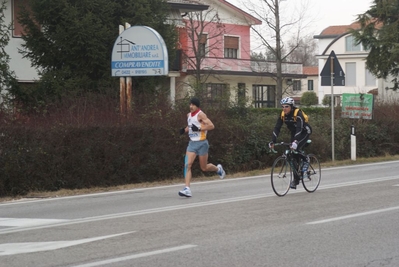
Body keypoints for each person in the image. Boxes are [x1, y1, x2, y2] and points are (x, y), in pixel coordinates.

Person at [178, 97, 225, 197]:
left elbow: (211, 126)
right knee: (187, 164)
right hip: (192, 144)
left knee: (204, 167)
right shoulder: (188, 115)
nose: (191, 106)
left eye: (193, 105)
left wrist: (199, 128)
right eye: (190, 104)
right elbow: (191, 126)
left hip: (202, 143)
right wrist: (184, 130)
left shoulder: (201, 114)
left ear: (197, 106)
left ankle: (218, 169)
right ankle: (187, 189)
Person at [269, 97, 312, 189]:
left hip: (304, 132)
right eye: (283, 106)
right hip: (294, 133)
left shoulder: (298, 113)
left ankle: (306, 159)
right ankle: (296, 179)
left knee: (295, 147)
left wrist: (296, 141)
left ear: (291, 107)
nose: (284, 108)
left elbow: (299, 128)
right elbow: (277, 128)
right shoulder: (282, 115)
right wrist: (273, 141)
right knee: (292, 156)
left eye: (286, 106)